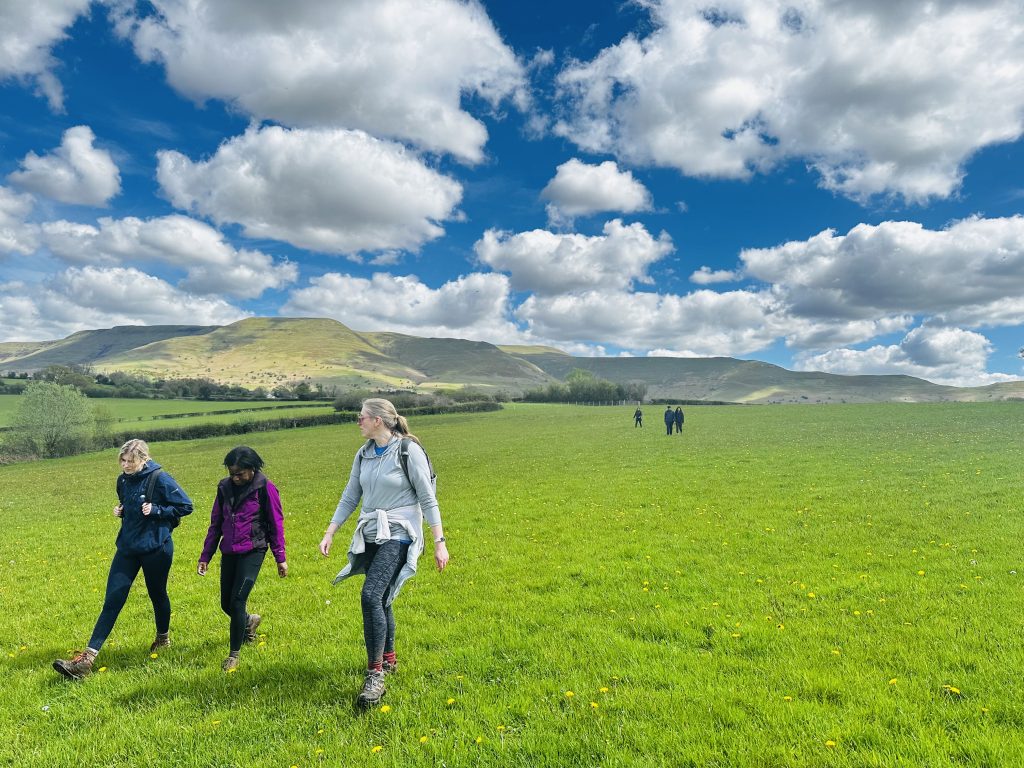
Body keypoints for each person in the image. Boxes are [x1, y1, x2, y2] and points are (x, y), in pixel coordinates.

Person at [319, 398, 449, 708]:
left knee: (370, 595)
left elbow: (428, 499)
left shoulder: (407, 450)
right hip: (372, 532)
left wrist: (439, 542)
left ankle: (375, 674)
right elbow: (350, 496)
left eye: (361, 417)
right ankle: (388, 659)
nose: (358, 422)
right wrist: (330, 531)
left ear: (378, 420)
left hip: (401, 533)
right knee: (382, 597)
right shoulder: (363, 455)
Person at [54, 439, 193, 680]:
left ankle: (163, 639)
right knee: (112, 600)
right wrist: (122, 510)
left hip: (156, 548)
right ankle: (86, 660)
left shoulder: (159, 478)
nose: (126, 465)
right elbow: (129, 504)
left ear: (144, 459)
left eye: (131, 461)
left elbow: (186, 505)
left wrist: (158, 510)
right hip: (128, 547)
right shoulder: (122, 480)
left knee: (157, 594)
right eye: (123, 460)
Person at [198, 446, 287, 671]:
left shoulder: (265, 488)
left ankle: (234, 654)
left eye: (240, 473)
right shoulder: (224, 488)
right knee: (226, 603)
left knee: (238, 601)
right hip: (228, 550)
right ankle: (249, 621)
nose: (235, 478)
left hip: (253, 550)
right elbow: (215, 523)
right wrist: (206, 555)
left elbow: (276, 523)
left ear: (252, 469)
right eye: (232, 474)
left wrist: (280, 557)